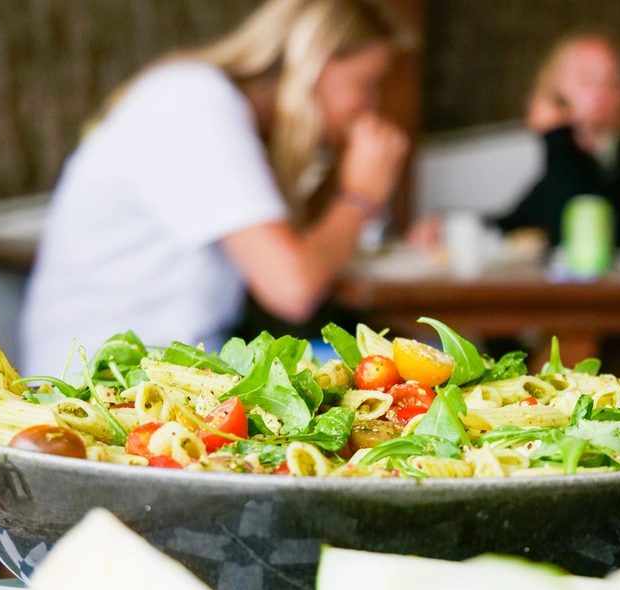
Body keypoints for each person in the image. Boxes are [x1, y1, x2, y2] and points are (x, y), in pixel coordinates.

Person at [20, 0, 410, 374]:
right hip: (96, 384)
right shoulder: (196, 105)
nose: (370, 107)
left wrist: (346, 181)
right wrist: (361, 197)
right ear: (316, 63)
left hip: (160, 368)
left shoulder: (223, 112)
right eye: (367, 84)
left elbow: (298, 259)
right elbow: (293, 288)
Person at [413, 32, 620, 249]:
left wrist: (556, 136)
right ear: (553, 90)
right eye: (587, 79)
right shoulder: (569, 154)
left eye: (612, 81)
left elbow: (588, 224)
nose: (601, 92)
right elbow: (527, 221)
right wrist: (453, 228)